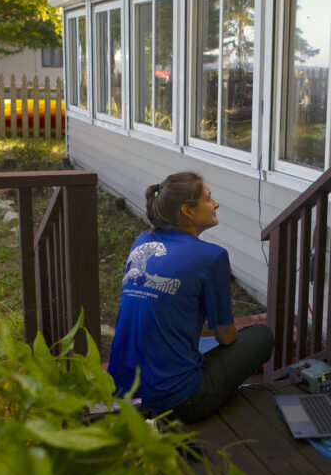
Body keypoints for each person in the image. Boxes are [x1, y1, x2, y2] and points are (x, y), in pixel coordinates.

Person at [107, 172, 274, 423]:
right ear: (187, 210)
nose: (216, 204)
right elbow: (225, 336)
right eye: (208, 199)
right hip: (178, 401)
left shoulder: (143, 241)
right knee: (262, 336)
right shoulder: (212, 256)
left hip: (122, 393)